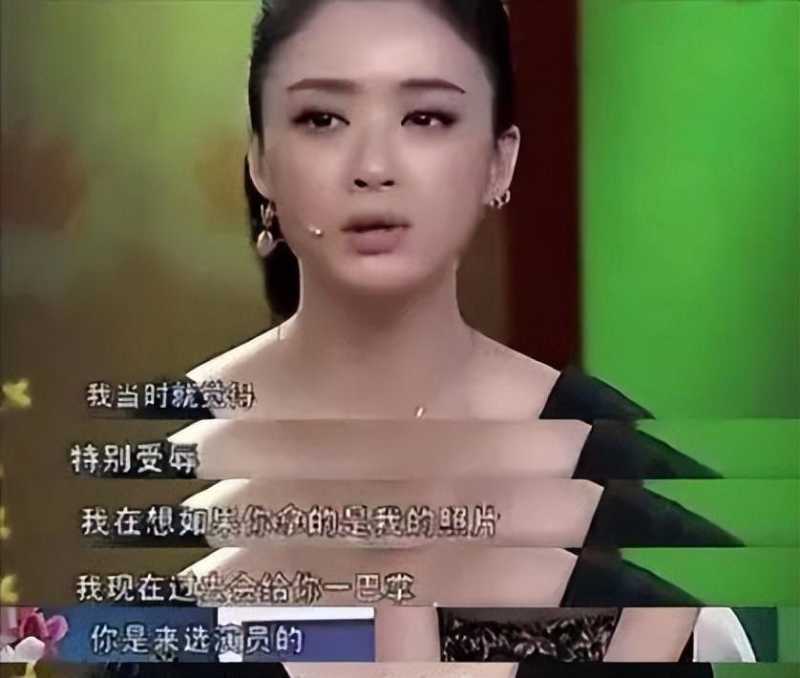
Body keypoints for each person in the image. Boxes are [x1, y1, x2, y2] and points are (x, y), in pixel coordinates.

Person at [124, 0, 753, 669]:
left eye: (426, 117)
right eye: (322, 119)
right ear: (261, 161)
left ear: (499, 161)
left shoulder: (638, 493)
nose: (373, 167)